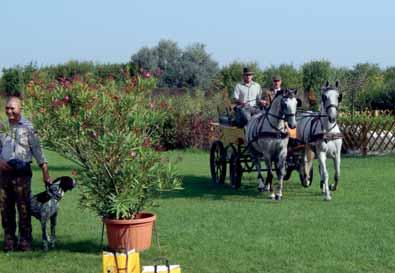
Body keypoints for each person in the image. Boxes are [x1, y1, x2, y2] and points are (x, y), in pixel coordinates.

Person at [0, 96, 51, 251]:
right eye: (7, 108)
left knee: (23, 208)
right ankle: (9, 241)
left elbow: (38, 151)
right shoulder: (2, 127)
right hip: (3, 174)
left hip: (22, 173)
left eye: (12, 108)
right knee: (5, 209)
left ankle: (25, 241)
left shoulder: (29, 127)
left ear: (20, 109)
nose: (9, 111)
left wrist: (45, 172)